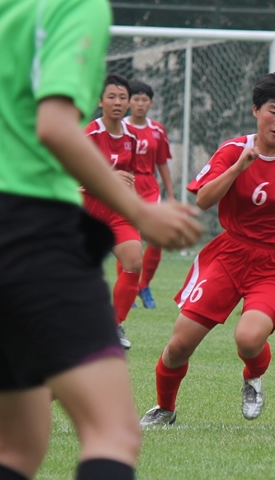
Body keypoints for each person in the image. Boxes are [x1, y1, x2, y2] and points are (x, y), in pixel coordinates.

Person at [0, 1, 202, 479]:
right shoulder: (73, 8)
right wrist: (138, 211)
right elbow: (53, 127)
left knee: (17, 446)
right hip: (29, 226)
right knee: (112, 433)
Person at [140, 72, 275, 427]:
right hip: (227, 255)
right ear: (256, 110)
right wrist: (241, 165)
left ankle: (253, 377)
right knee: (179, 345)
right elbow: (205, 199)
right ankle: (165, 408)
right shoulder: (232, 151)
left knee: (249, 338)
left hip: (274, 263)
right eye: (273, 111)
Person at [83, 73, 143, 349]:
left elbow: (128, 176)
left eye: (122, 97)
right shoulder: (89, 133)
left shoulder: (131, 137)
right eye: (111, 97)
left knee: (133, 261)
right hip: (88, 212)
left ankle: (113, 325)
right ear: (100, 101)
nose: (117, 102)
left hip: (117, 212)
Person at [123, 81, 175, 309]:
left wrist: (170, 195)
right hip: (125, 184)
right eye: (136, 99)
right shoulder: (120, 127)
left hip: (149, 186)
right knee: (128, 237)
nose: (140, 104)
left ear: (151, 103)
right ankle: (129, 287)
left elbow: (162, 162)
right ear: (128, 102)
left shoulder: (157, 130)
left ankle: (144, 285)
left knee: (156, 238)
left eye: (145, 100)